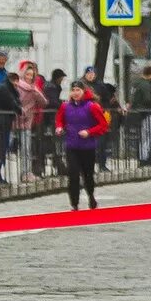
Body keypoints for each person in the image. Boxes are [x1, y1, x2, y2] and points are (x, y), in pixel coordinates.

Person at [54, 79, 108, 210]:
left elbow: (103, 125)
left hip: (87, 147)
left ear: (84, 91)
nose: (75, 93)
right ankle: (74, 203)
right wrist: (59, 128)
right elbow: (59, 119)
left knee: (87, 175)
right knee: (73, 174)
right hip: (71, 145)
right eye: (73, 90)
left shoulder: (92, 106)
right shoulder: (65, 106)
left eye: (78, 90)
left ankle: (91, 196)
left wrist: (89, 132)